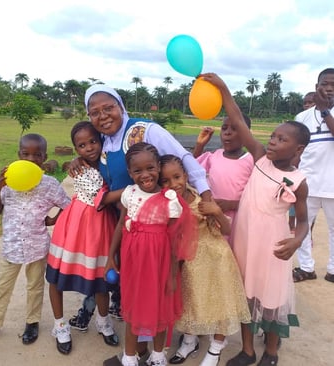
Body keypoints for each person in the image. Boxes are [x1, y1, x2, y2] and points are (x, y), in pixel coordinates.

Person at [68, 84, 212, 366]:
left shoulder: (145, 131)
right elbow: (93, 157)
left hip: (158, 227)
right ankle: (138, 352)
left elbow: (183, 159)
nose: (103, 115)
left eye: (108, 107)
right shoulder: (103, 141)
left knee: (159, 290)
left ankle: (156, 350)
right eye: (94, 112)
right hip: (127, 225)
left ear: (121, 105)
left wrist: (207, 197)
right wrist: (79, 159)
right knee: (135, 291)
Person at [197, 73, 310, 366]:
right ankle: (247, 350)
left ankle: (271, 351)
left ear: (298, 150)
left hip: (273, 247)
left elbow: (302, 220)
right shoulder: (259, 156)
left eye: (282, 139)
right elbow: (235, 117)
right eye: (272, 136)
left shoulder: (298, 181)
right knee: (245, 294)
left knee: (271, 300)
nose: (272, 142)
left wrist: (296, 240)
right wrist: (223, 90)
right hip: (244, 239)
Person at [0, 134, 71, 348]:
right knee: (2, 287)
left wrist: (53, 219)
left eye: (37, 155)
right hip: (11, 246)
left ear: (45, 157)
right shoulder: (8, 181)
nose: (31, 159)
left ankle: (32, 322)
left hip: (37, 246)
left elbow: (67, 204)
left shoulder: (49, 184)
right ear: (18, 155)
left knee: (35, 286)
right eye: (26, 154)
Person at [104, 142, 197, 366]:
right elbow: (120, 225)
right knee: (132, 307)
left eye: (150, 168)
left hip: (160, 264)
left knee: (160, 310)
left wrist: (173, 275)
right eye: (138, 171)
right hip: (133, 261)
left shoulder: (170, 200)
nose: (145, 175)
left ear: (158, 167)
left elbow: (175, 241)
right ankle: (130, 357)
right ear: (130, 173)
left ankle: (157, 356)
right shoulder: (129, 193)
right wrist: (110, 258)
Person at [159, 154, 250, 366]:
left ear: (186, 175)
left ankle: (216, 349)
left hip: (216, 260)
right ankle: (190, 341)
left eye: (177, 176)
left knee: (220, 304)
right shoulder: (165, 203)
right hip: (189, 264)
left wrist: (217, 212)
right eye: (165, 181)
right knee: (191, 302)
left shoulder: (201, 199)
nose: (173, 184)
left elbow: (226, 229)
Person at [45, 122, 121, 355]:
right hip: (76, 227)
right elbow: (102, 198)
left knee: (100, 279)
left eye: (93, 142)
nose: (89, 148)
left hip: (101, 228)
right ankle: (60, 326)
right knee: (57, 278)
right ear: (76, 149)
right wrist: (131, 191)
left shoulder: (109, 162)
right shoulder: (79, 169)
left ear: (101, 141)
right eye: (82, 145)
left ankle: (103, 321)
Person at [293, 68, 334, 283]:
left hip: (332, 184)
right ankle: (306, 267)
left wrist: (326, 112)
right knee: (303, 226)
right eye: (324, 84)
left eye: (333, 85)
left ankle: (333, 270)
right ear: (316, 86)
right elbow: (295, 149)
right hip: (307, 182)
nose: (328, 88)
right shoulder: (302, 117)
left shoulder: (329, 113)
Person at [192, 114, 253, 247]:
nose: (228, 132)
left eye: (234, 129)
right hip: (213, 216)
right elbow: (193, 168)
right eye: (224, 128)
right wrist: (200, 145)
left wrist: (231, 204)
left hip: (239, 217)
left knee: (235, 251)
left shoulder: (251, 161)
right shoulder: (214, 156)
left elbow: (257, 196)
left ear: (247, 134)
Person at [288, 91, 315, 233]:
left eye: (311, 102)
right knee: (293, 198)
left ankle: (307, 232)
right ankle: (291, 224)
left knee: (308, 206)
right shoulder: (300, 119)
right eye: (305, 102)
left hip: (316, 172)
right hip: (300, 167)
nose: (307, 105)